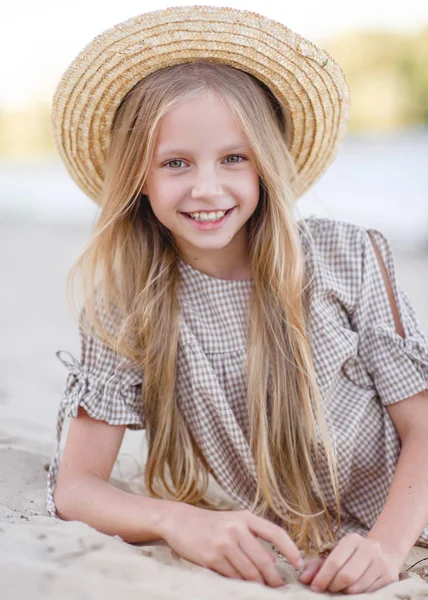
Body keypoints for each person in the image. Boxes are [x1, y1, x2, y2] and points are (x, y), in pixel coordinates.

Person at [46, 5, 428, 595]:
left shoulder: (345, 256)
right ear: (138, 180)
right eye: (175, 163)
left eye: (233, 158)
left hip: (406, 526)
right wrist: (176, 520)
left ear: (264, 166)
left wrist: (386, 545)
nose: (206, 187)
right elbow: (75, 487)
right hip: (313, 553)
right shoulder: (128, 303)